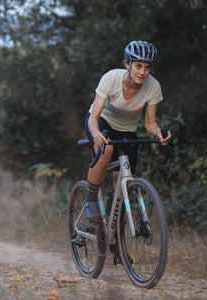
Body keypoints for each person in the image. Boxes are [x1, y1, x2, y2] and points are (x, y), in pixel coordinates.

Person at [83, 40, 172, 229]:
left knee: (124, 180)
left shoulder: (153, 86)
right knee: (106, 151)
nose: (142, 72)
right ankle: (90, 199)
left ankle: (117, 241)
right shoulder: (111, 78)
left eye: (147, 67)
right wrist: (96, 133)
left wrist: (159, 133)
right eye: (138, 66)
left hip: (128, 130)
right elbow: (93, 117)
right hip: (102, 121)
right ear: (127, 64)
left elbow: (150, 123)